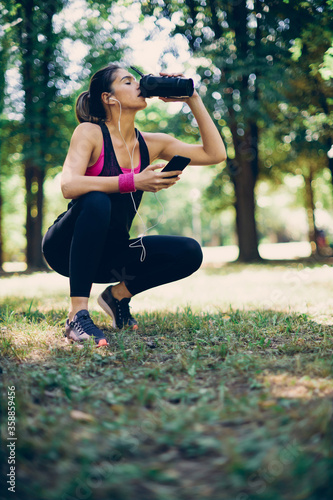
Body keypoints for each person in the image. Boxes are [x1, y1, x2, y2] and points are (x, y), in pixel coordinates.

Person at [42, 63, 226, 347]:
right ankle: (77, 314)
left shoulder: (151, 143)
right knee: (96, 199)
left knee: (189, 252)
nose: (138, 84)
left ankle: (116, 297)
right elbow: (69, 186)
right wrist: (133, 181)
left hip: (110, 256)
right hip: (65, 249)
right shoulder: (90, 133)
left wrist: (192, 98)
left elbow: (215, 154)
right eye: (127, 82)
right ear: (108, 97)